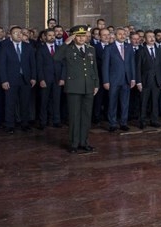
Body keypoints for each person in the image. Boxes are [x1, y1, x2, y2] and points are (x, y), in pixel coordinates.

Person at [58, 25, 99, 153]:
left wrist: (96, 84)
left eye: (84, 36)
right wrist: (66, 42)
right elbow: (56, 57)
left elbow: (94, 68)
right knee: (74, 116)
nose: (82, 39)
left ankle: (84, 142)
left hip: (88, 86)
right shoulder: (68, 49)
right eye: (79, 36)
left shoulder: (91, 49)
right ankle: (74, 143)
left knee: (86, 116)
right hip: (74, 87)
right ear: (74, 36)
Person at [0, 25, 37, 133]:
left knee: (25, 103)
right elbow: (1, 65)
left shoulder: (27, 46)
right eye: (16, 33)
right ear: (10, 35)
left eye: (20, 32)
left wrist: (33, 77)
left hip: (26, 79)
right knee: (10, 103)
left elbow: (32, 63)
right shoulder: (5, 47)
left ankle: (25, 124)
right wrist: (4, 80)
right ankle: (10, 125)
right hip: (10, 79)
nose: (19, 34)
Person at [103, 27, 136, 132]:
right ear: (115, 35)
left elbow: (132, 64)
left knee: (125, 103)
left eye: (124, 34)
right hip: (113, 80)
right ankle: (112, 123)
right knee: (112, 103)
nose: (122, 36)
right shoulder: (109, 48)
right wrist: (106, 80)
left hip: (126, 79)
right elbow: (105, 66)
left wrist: (133, 78)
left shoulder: (129, 47)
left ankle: (123, 122)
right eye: (120, 34)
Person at [136, 30, 161, 129]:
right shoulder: (141, 51)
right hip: (145, 81)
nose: (152, 38)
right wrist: (139, 82)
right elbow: (138, 67)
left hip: (157, 80)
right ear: (145, 39)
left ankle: (154, 120)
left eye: (153, 36)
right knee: (143, 101)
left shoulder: (159, 51)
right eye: (149, 37)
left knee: (155, 102)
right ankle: (142, 121)